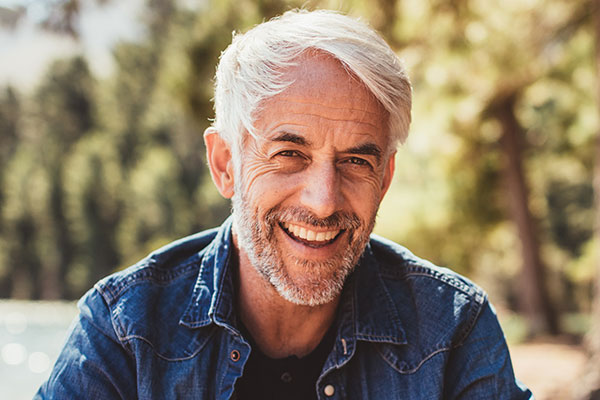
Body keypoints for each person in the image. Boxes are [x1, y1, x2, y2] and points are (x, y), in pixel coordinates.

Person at [37, 9, 532, 399]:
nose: (323, 201)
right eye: (289, 154)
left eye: (356, 162)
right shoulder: (126, 331)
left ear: (385, 179)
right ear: (225, 164)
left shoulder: (452, 329)